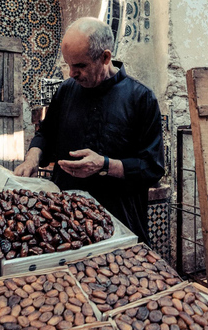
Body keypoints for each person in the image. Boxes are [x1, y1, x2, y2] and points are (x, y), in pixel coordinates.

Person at [14, 17, 165, 244]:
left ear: (105, 57)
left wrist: (105, 165)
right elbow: (46, 133)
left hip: (117, 224)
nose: (71, 74)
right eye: (68, 65)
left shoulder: (141, 98)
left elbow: (152, 168)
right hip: (63, 221)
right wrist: (32, 157)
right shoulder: (66, 90)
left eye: (80, 66)